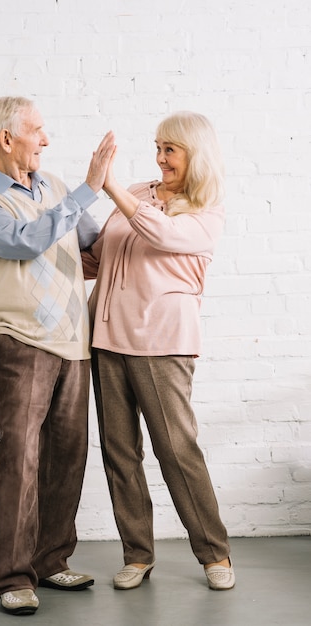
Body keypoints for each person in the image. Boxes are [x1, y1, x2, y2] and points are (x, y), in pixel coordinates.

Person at [0, 96, 115, 615]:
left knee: (67, 457)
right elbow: (25, 243)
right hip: (20, 341)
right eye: (38, 131)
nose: (46, 141)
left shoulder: (56, 188)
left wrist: (148, 214)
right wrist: (90, 189)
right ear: (7, 139)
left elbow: (91, 248)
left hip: (74, 341)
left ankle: (50, 560)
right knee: (20, 459)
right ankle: (11, 576)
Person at [82, 111, 235, 591]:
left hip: (161, 343)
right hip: (106, 338)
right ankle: (137, 554)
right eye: (158, 146)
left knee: (176, 449)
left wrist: (110, 189)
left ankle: (214, 554)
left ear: (196, 153)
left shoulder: (206, 208)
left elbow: (163, 235)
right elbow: (98, 257)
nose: (160, 157)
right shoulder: (140, 194)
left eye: (170, 148)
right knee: (119, 452)